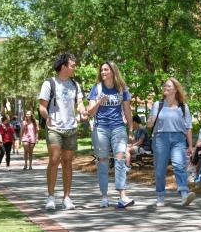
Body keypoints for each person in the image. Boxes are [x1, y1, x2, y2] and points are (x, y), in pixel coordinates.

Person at [38, 53, 88, 210]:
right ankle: (51, 197)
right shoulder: (49, 83)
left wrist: (83, 111)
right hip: (54, 127)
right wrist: (47, 117)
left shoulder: (75, 84)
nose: (75, 68)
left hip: (71, 127)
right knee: (54, 160)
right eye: (72, 65)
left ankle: (67, 197)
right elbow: (42, 107)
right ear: (64, 66)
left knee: (67, 162)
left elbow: (79, 104)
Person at [87, 61, 134, 208]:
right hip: (100, 128)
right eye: (101, 70)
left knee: (120, 159)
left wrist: (131, 130)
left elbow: (127, 111)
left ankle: (122, 196)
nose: (103, 72)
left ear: (113, 71)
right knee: (103, 162)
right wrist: (99, 101)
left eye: (106, 70)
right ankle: (104, 196)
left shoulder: (122, 89)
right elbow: (90, 112)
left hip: (118, 127)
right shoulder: (97, 88)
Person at [147, 77, 195, 207]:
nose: (165, 88)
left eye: (168, 86)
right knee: (160, 169)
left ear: (175, 89)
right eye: (164, 86)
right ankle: (160, 195)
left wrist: (190, 145)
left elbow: (188, 127)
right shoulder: (158, 104)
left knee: (179, 166)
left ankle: (184, 194)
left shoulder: (183, 107)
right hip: (160, 138)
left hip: (178, 139)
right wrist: (150, 121)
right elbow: (150, 124)